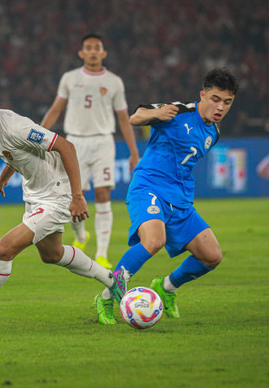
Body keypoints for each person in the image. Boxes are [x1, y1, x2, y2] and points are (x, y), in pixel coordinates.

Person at [0, 84, 127, 330]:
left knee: (4, 249)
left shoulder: (15, 127)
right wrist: (3, 178)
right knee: (52, 255)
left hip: (57, 194)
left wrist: (77, 196)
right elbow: (17, 153)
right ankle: (114, 281)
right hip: (36, 193)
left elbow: (66, 147)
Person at [92, 67, 239, 325]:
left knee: (212, 256)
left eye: (227, 102)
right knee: (154, 240)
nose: (220, 107)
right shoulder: (179, 111)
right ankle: (105, 296)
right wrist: (156, 113)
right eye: (215, 99)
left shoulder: (213, 133)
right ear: (202, 95)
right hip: (149, 187)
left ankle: (166, 287)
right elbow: (135, 117)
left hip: (180, 199)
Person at [41, 33, 140, 271]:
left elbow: (123, 118)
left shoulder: (114, 81)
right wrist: (37, 135)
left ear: (104, 53)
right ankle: (82, 236)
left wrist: (134, 152)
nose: (93, 51)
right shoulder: (70, 78)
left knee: (103, 194)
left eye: (97, 48)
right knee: (76, 195)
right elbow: (56, 109)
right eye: (88, 48)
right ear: (81, 53)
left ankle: (102, 254)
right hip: (74, 142)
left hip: (103, 141)